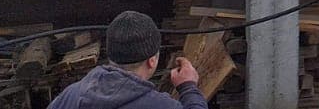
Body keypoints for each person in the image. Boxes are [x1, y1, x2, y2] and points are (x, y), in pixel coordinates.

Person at [48, 11, 205, 109]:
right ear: (152, 61)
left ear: (110, 55)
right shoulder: (159, 105)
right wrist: (188, 87)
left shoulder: (71, 96)